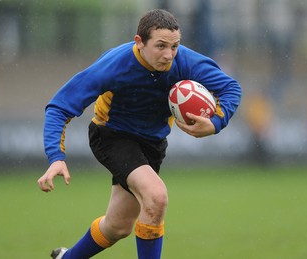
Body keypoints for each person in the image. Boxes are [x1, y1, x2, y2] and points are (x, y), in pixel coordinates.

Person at [37, 9, 241, 259]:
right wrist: (55, 157)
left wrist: (216, 122)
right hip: (112, 135)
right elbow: (60, 106)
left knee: (117, 226)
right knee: (156, 197)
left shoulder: (184, 61)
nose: (169, 55)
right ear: (139, 43)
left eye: (175, 46)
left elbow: (230, 87)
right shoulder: (115, 64)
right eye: (161, 46)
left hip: (153, 143)